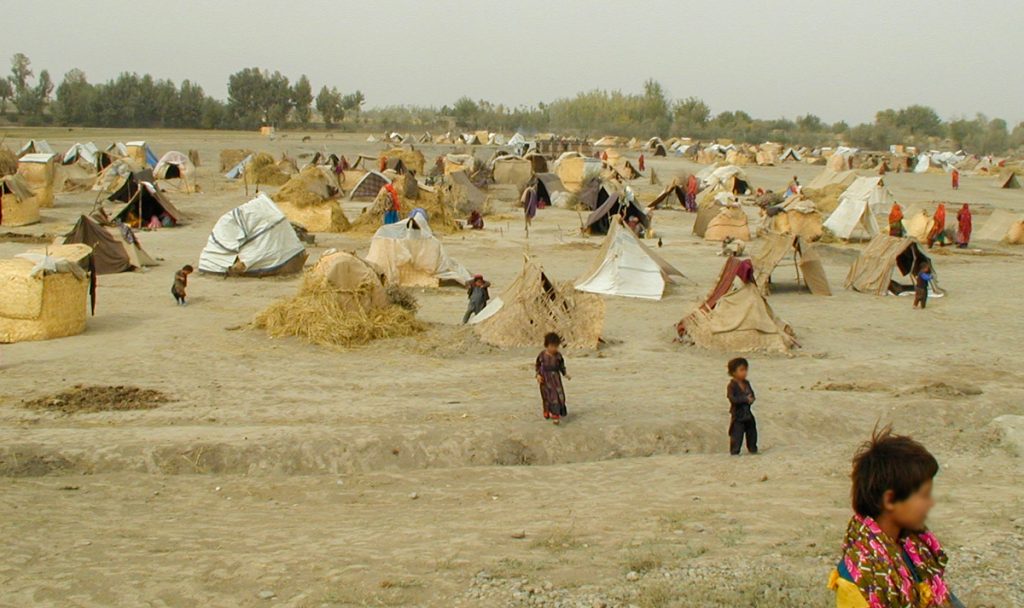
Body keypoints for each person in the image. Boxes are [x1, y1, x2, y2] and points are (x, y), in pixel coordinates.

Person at [828, 427, 964, 608]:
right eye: (923, 496)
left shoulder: (915, 550)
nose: (930, 504)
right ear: (890, 500)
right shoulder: (858, 581)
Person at [535, 332, 571, 425]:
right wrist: (538, 375)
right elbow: (538, 366)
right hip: (545, 379)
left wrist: (565, 374)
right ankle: (547, 411)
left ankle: (556, 415)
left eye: (556, 346)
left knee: (557, 395)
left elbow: (561, 366)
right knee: (546, 396)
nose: (554, 348)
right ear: (546, 345)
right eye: (552, 346)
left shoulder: (558, 356)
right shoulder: (542, 355)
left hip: (555, 379)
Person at [726, 358, 757, 455]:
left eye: (746, 370)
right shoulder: (732, 386)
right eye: (742, 370)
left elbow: (751, 393)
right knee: (737, 435)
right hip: (738, 415)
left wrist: (751, 399)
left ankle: (753, 449)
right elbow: (733, 399)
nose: (745, 372)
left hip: (747, 413)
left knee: (752, 433)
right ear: (734, 372)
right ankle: (735, 452)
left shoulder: (746, 383)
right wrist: (745, 399)